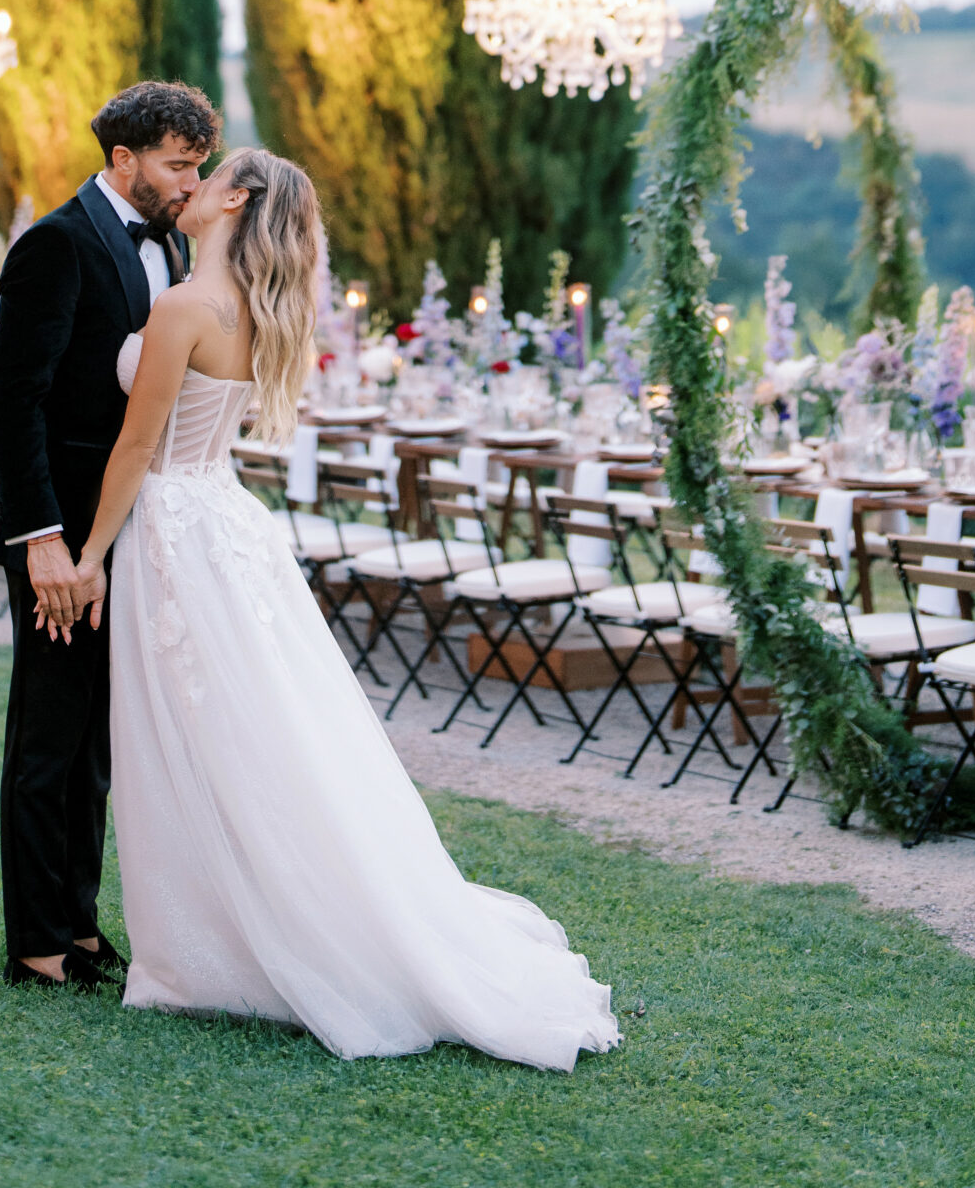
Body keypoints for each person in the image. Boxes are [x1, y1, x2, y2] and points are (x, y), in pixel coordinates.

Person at [62, 145, 619, 1067]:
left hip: (172, 532)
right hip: (225, 526)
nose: (189, 186)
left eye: (209, 176)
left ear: (234, 198)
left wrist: (88, 556)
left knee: (192, 740)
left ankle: (222, 950)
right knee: (257, 737)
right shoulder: (247, 309)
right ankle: (229, 932)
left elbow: (134, 450)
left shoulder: (185, 308)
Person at [0, 78, 221, 989]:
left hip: (127, 529)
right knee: (49, 733)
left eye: (198, 165)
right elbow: (13, 400)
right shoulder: (56, 243)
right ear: (122, 159)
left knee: (97, 739)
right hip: (58, 532)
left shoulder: (176, 252)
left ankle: (78, 925)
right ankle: (37, 942)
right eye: (176, 165)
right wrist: (41, 538)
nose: (190, 183)